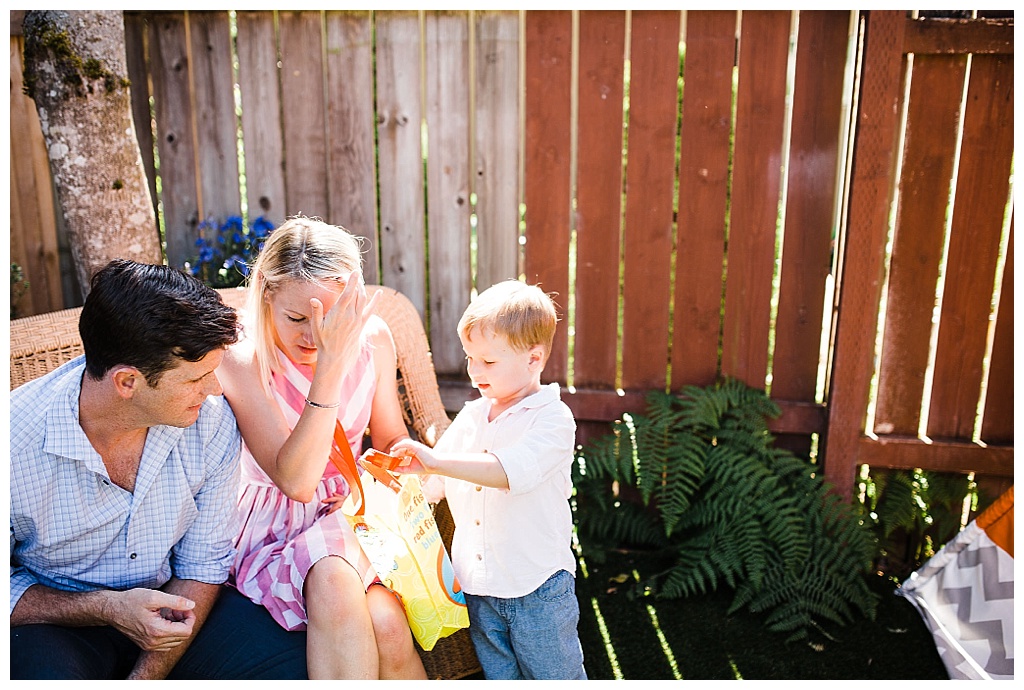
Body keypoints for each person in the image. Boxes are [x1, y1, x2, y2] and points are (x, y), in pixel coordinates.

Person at [9, 259, 307, 680]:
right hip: (60, 620)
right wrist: (104, 608)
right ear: (127, 382)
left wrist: (144, 678)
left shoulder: (211, 419)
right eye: (195, 379)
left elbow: (203, 565)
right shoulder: (13, 442)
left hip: (177, 604)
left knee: (293, 665)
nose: (215, 389)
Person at [215, 216, 427, 680]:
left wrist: (403, 456)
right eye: (297, 318)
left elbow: (389, 434)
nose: (314, 336)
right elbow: (295, 480)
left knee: (389, 625)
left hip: (348, 512)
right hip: (271, 528)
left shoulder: (373, 341)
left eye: (331, 319)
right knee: (332, 579)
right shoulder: (242, 360)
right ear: (267, 294)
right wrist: (330, 367)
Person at [390, 279, 587, 680]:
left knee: (555, 677)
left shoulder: (551, 420)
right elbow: (435, 483)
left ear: (533, 359)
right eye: (469, 358)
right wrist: (399, 481)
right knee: (500, 677)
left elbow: (504, 471)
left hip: (537, 588)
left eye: (488, 362)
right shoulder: (474, 416)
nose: (474, 371)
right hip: (480, 588)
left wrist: (436, 463)